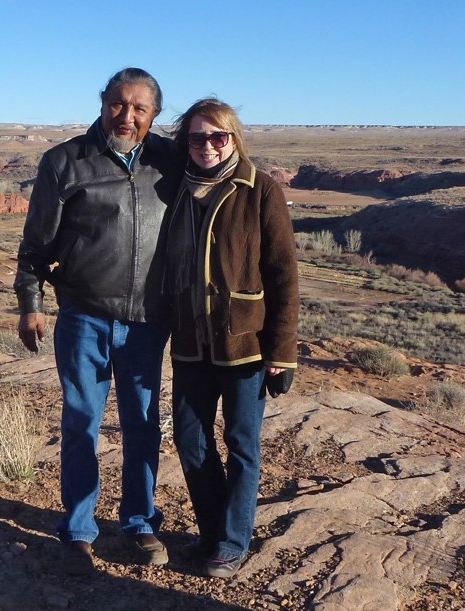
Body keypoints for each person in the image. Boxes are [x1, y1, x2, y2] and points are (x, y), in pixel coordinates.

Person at [14, 67, 179, 575]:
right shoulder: (66, 161)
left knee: (142, 424)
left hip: (149, 321)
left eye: (139, 109)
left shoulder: (171, 160)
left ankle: (140, 522)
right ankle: (80, 528)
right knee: (82, 422)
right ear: (103, 102)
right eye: (118, 104)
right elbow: (36, 243)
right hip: (84, 316)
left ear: (154, 114)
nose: (126, 116)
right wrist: (30, 302)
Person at [166, 98, 299, 578]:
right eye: (198, 137)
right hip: (189, 342)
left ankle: (232, 540)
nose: (207, 146)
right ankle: (212, 531)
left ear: (234, 140)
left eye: (218, 137)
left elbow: (283, 275)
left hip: (244, 342)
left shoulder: (259, 190)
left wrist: (282, 353)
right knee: (190, 439)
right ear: (187, 140)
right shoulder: (174, 188)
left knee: (242, 444)